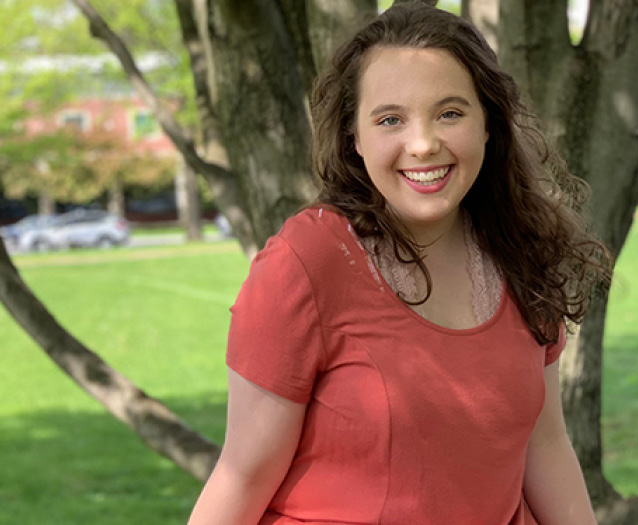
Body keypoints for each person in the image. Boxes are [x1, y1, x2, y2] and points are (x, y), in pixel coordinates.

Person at [189, 3, 611, 524]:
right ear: (355, 138)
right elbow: (242, 476)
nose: (423, 144)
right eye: (390, 119)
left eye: (450, 113)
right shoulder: (308, 262)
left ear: (487, 125)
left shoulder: (519, 250)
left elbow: (545, 447)